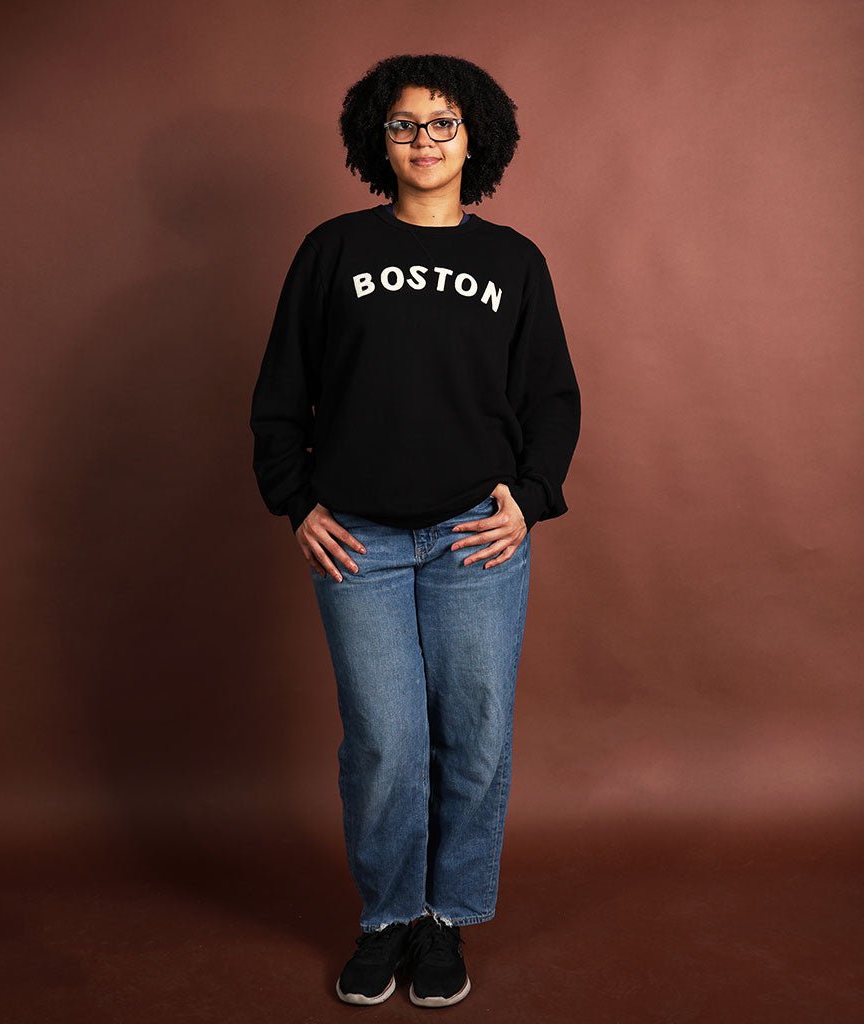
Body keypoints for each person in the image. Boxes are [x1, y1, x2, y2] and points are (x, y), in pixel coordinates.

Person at [249, 53, 581, 1008]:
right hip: (358, 540)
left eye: (443, 123)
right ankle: (389, 914)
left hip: (476, 538)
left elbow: (552, 398)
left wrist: (531, 497)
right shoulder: (332, 250)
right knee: (385, 740)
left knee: (474, 734)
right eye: (403, 124)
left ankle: (447, 919)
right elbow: (280, 393)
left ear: (475, 138)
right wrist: (296, 502)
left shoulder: (514, 261)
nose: (423, 140)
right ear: (376, 138)